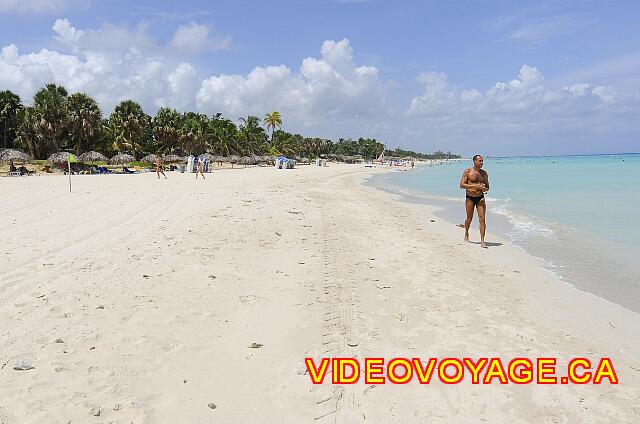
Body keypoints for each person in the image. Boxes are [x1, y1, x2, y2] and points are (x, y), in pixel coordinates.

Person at [459, 154, 490, 248]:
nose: (482, 162)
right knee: (469, 218)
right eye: (480, 161)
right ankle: (466, 233)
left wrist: (484, 189)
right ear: (474, 161)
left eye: (482, 161)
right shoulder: (468, 171)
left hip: (480, 197)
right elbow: (461, 185)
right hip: (470, 197)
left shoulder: (484, 173)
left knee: (482, 219)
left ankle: (482, 241)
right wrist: (475, 186)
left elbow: (488, 187)